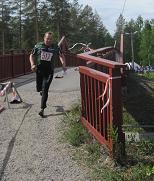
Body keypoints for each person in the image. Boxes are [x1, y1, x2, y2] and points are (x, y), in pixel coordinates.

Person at [29, 31, 66, 117]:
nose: (48, 40)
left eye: (50, 39)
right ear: (44, 38)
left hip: (49, 72)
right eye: (47, 38)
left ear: (52, 40)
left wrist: (63, 64)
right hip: (39, 70)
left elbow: (61, 55)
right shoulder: (38, 46)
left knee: (45, 89)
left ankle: (42, 109)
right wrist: (32, 64)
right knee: (39, 88)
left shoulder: (55, 47)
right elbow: (31, 55)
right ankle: (41, 91)